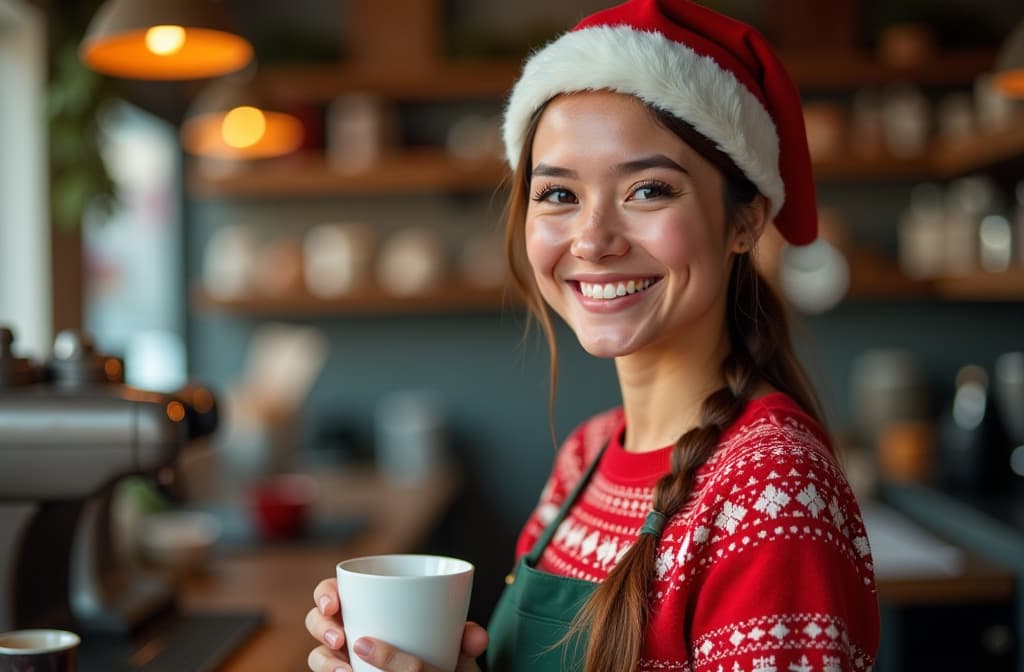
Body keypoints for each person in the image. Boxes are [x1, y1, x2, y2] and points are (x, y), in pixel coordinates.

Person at [305, 0, 880, 670]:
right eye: (558, 195)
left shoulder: (770, 488)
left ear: (744, 222)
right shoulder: (587, 456)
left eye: (648, 190)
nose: (593, 240)